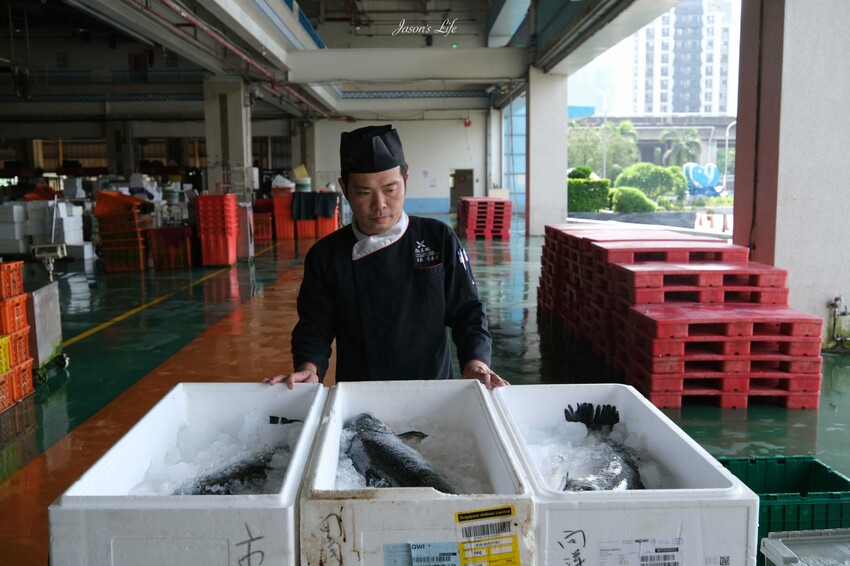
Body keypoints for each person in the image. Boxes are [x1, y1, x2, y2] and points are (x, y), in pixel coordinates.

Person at [264, 125, 507, 390]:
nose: (379, 204)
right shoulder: (326, 256)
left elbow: (468, 311)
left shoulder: (438, 238)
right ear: (344, 190)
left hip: (434, 391)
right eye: (364, 192)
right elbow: (314, 327)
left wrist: (475, 363)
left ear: (406, 179)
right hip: (360, 394)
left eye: (390, 189)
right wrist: (309, 368)